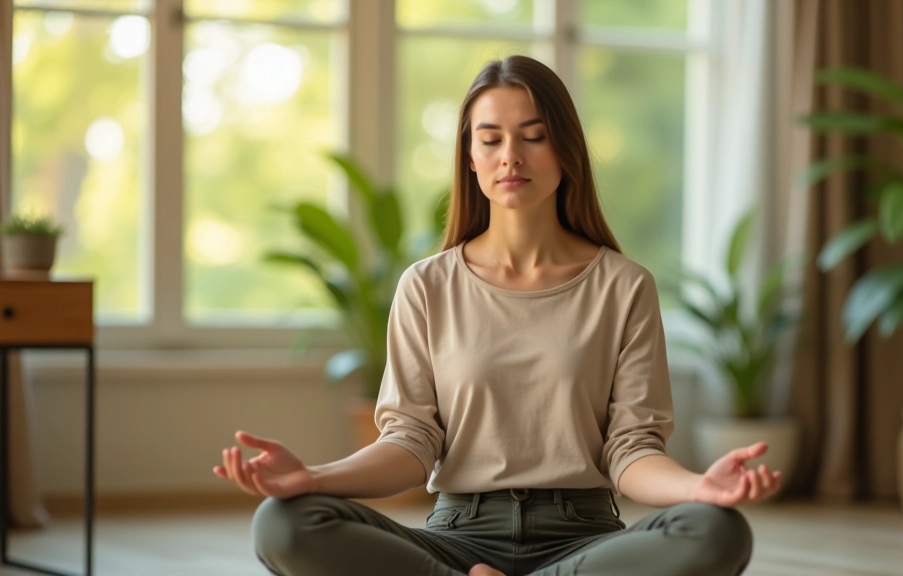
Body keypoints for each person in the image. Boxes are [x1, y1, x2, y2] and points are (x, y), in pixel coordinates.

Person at [214, 54, 780, 576]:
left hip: (584, 540)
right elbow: (410, 445)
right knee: (284, 522)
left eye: (534, 137)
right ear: (471, 157)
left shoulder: (624, 285)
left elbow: (632, 450)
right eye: (491, 139)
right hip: (459, 538)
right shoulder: (426, 286)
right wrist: (313, 478)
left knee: (714, 530)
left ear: (566, 151)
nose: (511, 156)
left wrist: (700, 488)